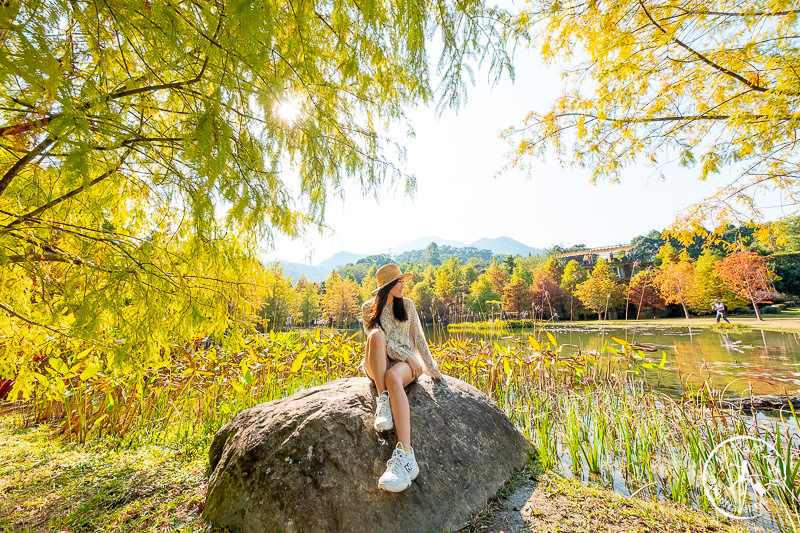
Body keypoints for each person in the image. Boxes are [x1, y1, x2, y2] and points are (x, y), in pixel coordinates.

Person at [361, 264, 443, 492]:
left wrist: (430, 367)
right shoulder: (368, 308)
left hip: (401, 367)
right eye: (398, 282)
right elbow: (382, 343)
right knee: (376, 335)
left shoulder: (407, 305)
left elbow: (418, 338)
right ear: (387, 285)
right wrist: (408, 357)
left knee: (393, 377)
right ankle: (383, 399)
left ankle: (406, 454)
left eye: (403, 281)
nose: (403, 285)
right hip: (376, 363)